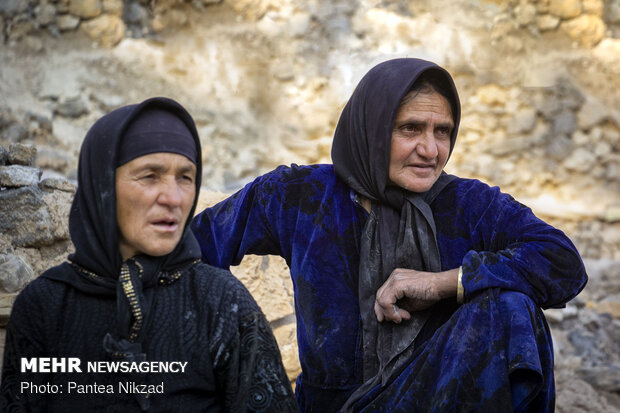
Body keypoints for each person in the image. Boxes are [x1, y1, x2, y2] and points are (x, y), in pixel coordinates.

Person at [190, 58, 588, 412]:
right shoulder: (300, 195)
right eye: (410, 128)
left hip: (436, 397)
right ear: (372, 128)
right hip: (334, 404)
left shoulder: (468, 204)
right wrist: (245, 336)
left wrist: (445, 283)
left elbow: (563, 262)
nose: (430, 150)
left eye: (442, 131)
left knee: (511, 306)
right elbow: (195, 245)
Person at [0, 97, 298, 412]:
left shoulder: (221, 302)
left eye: (185, 177)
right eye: (149, 176)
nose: (172, 198)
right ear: (102, 186)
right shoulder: (44, 307)